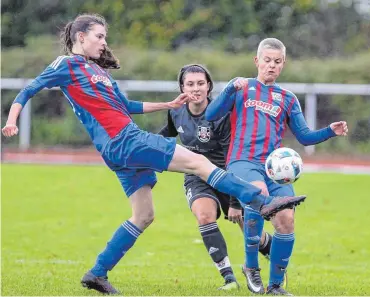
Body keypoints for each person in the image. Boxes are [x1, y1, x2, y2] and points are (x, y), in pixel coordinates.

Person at [1, 14, 307, 295]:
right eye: (99, 36)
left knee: (144, 215)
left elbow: (126, 105)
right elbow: (29, 89)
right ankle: (263, 201)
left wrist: (168, 106)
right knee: (198, 162)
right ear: (81, 37)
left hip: (117, 150)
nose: (104, 42)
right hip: (125, 140)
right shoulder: (66, 65)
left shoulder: (98, 71)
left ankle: (96, 273)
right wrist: (13, 120)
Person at [205, 38, 348, 295]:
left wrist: (330, 131)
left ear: (283, 65)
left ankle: (275, 286)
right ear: (257, 61)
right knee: (258, 195)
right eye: (267, 60)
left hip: (273, 170)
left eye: (277, 62)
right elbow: (211, 114)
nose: (271, 66)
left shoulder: (288, 98)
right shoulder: (241, 88)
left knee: (286, 219)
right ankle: (251, 268)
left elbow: (304, 136)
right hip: (242, 162)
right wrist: (227, 89)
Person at [159, 63, 278, 290]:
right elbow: (169, 133)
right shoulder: (176, 110)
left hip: (227, 176)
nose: (196, 88)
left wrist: (234, 202)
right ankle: (229, 279)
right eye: (190, 84)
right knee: (204, 216)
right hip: (196, 176)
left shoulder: (220, 115)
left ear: (209, 86)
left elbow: (230, 156)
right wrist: (143, 144)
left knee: (252, 231)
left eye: (201, 83)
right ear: (182, 87)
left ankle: (273, 253)